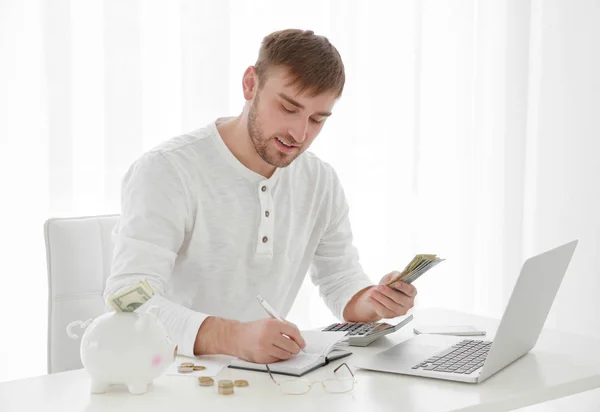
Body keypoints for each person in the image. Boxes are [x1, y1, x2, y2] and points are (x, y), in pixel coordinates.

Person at [104, 29, 417, 364]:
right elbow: (127, 299)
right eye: (288, 108)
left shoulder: (319, 180)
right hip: (170, 376)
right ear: (250, 84)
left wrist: (372, 301)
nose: (299, 134)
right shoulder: (167, 171)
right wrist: (231, 336)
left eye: (316, 119)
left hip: (266, 379)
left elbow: (339, 277)